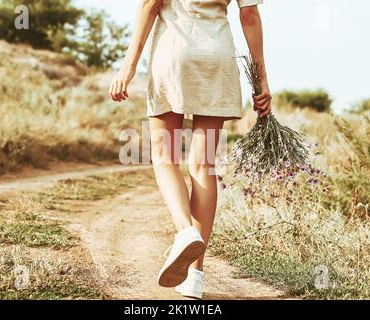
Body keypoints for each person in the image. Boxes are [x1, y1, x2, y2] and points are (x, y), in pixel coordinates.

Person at [109, 0, 271, 300]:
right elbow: (249, 15)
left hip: (174, 54)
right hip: (218, 58)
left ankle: (185, 231)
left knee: (164, 154)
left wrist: (128, 66)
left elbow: (150, 4)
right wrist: (260, 79)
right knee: (203, 165)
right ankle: (195, 275)